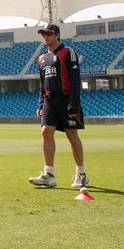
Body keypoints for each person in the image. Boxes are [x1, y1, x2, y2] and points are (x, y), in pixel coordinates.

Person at [29, 23, 88, 189]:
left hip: (66, 99)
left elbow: (75, 79)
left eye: (49, 34)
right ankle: (49, 174)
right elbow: (43, 84)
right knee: (45, 131)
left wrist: (74, 103)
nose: (46, 37)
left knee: (71, 134)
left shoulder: (67, 52)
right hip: (49, 100)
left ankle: (81, 173)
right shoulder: (41, 58)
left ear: (57, 35)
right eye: (43, 34)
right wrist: (41, 103)